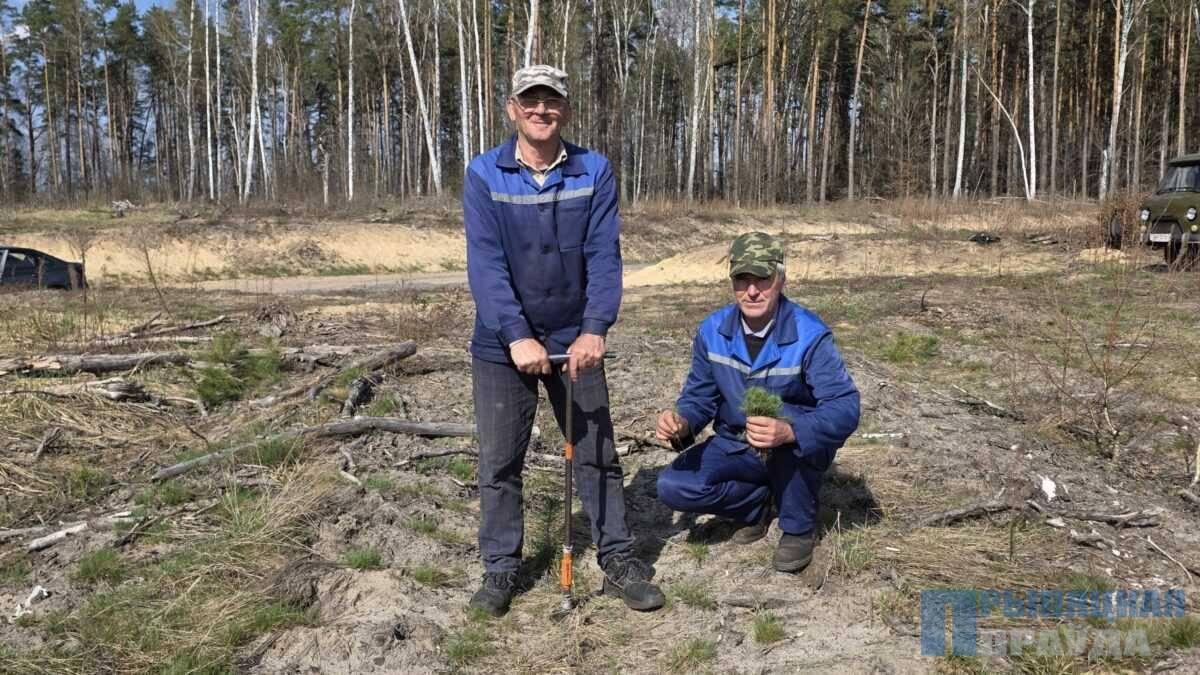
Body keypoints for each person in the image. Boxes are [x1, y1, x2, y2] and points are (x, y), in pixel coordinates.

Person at [463, 64, 664, 616]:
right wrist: (515, 336)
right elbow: (485, 265)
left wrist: (595, 328)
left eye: (551, 101)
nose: (541, 111)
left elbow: (605, 256)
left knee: (597, 456)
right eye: (530, 101)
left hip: (577, 342)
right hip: (503, 345)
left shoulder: (593, 171)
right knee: (501, 462)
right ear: (512, 108)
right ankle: (501, 570)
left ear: (565, 110)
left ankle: (619, 560)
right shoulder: (484, 174)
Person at [654, 232, 861, 572]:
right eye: (742, 280)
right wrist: (682, 421)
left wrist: (791, 431)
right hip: (735, 443)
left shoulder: (810, 334)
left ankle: (798, 527)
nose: (752, 291)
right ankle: (759, 504)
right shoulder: (712, 330)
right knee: (674, 486)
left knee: (788, 445)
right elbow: (699, 396)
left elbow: (845, 407)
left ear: (781, 278)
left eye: (762, 279)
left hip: (794, 447)